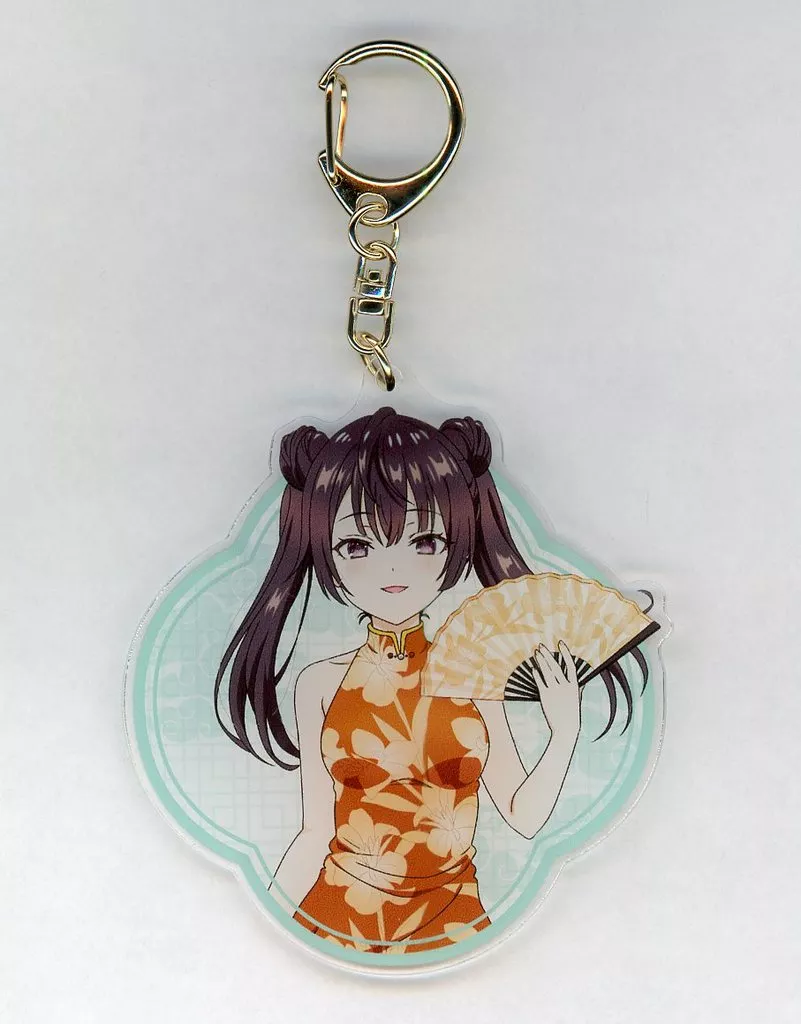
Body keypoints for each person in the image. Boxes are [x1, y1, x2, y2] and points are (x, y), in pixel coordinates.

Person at [214, 407, 593, 954]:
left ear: (458, 540)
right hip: (336, 919)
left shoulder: (471, 672)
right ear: (322, 549)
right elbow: (315, 832)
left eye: (424, 542)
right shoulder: (320, 684)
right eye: (356, 547)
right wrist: (258, 939)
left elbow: (523, 816)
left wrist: (564, 734)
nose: (392, 569)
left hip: (453, 925)